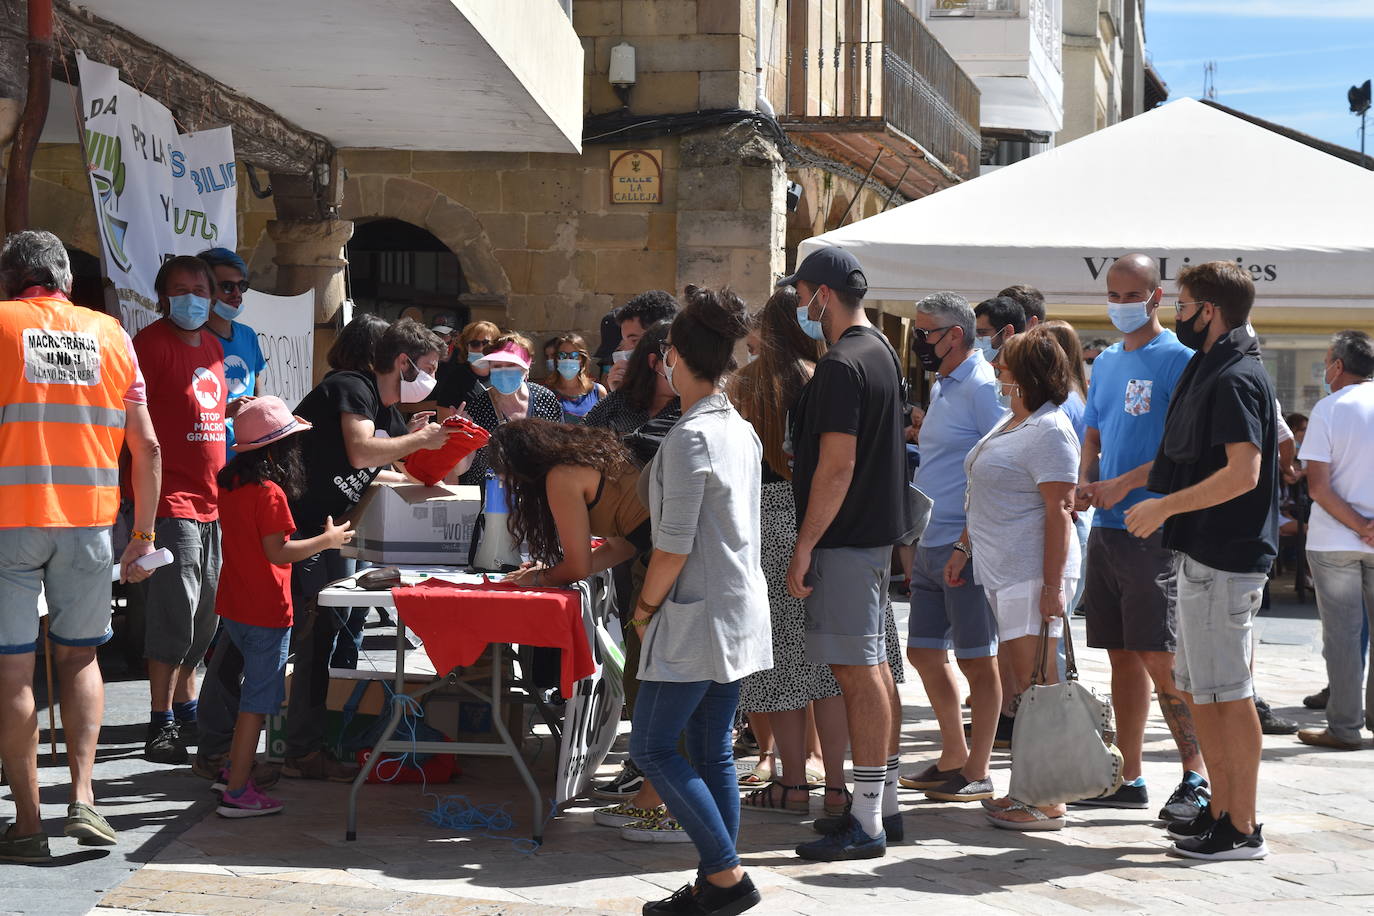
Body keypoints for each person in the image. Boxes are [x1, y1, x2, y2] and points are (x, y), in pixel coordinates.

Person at [0, 230, 160, 858]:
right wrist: (142, 537)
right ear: (66, 281)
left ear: (11, 281)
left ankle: (28, 821)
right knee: (80, 659)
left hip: (9, 523)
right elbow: (146, 448)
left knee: (13, 671)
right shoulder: (113, 335)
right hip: (91, 524)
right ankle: (85, 798)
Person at [193, 313, 394, 783]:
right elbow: (279, 550)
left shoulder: (245, 484)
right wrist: (325, 540)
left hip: (265, 576)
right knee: (255, 668)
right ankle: (230, 759)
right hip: (286, 567)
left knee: (280, 649)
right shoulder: (346, 390)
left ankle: (251, 752)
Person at [1125, 260, 1280, 861]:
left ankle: (1241, 826)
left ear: (1208, 311)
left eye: (1183, 304)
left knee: (1227, 693)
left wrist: (1164, 508)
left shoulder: (1236, 375)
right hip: (1205, 553)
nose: (1174, 314)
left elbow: (1245, 473)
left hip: (1226, 555)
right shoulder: (1214, 367)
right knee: (1204, 692)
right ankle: (1221, 811)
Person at [631, 286, 769, 915]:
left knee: (654, 748)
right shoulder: (735, 428)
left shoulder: (694, 437)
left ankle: (726, 875)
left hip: (697, 609)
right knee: (708, 747)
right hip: (733, 606)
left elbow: (673, 545)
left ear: (676, 358)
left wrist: (643, 609)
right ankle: (717, 882)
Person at [283, 318, 466, 780]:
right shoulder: (352, 387)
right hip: (293, 527)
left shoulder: (385, 411)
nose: (432, 378)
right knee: (290, 641)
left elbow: (385, 471)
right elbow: (363, 454)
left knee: (323, 638)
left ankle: (309, 746)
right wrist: (423, 439)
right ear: (402, 363)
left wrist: (432, 453)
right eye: (426, 367)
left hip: (325, 533)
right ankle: (252, 746)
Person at [784, 248, 912, 861]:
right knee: (874, 669)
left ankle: (867, 821)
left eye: (803, 292)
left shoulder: (840, 365)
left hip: (845, 539)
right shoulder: (881, 351)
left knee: (858, 672)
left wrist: (803, 545)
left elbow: (836, 467)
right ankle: (881, 803)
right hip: (872, 536)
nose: (799, 305)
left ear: (823, 297)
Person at [1074, 254, 1205, 823]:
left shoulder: (1179, 361)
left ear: (1156, 297)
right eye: (1113, 293)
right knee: (1121, 657)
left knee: (1160, 655)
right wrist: (1086, 478)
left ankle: (1196, 773)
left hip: (1152, 527)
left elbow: (1184, 454)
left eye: (1131, 295)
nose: (1120, 304)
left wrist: (1120, 484)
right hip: (1106, 528)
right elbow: (1096, 428)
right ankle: (1129, 774)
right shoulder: (1104, 362)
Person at [943, 327, 1081, 830]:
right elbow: (985, 491)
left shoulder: (1049, 429)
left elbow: (1059, 510)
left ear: (1025, 374)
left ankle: (1048, 799)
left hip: (1031, 573)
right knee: (1023, 682)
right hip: (1005, 570)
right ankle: (1029, 790)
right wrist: (965, 546)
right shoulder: (1014, 422)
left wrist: (1050, 588)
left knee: (1036, 685)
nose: (996, 365)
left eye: (1005, 361)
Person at [211, 397, 354, 817]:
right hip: (265, 611)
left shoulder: (229, 483)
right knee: (257, 704)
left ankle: (232, 771)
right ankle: (238, 790)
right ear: (277, 450)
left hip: (235, 605)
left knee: (247, 697)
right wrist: (328, 542)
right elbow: (280, 552)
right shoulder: (270, 493)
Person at [133, 255, 240, 764]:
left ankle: (187, 703)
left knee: (206, 617)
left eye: (201, 288)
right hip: (169, 501)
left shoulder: (217, 347)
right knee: (174, 611)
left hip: (214, 499)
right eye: (181, 289)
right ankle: (160, 722)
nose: (194, 297)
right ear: (162, 297)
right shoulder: (148, 346)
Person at [902, 291, 1005, 806]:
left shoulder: (982, 386)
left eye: (924, 332)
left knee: (977, 659)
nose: (918, 341)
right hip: (930, 537)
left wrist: (967, 541)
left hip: (962, 543)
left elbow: (999, 464)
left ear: (954, 335)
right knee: (923, 650)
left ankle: (978, 768)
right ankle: (953, 756)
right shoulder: (947, 383)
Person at [1296, 330, 1374, 751]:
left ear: (1338, 366)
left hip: (1334, 540)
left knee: (1342, 636)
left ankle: (1344, 728)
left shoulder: (1329, 409)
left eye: (1327, 361)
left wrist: (1359, 524)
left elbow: (1319, 487)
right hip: (1364, 535)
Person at [451, 333, 564, 487]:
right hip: (491, 500)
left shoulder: (545, 399)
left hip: (536, 494)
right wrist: (457, 441)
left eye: (511, 365)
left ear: (526, 368)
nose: (503, 371)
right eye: (497, 366)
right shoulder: (478, 406)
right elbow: (460, 469)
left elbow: (560, 453)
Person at [198, 247, 266, 459]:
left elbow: (257, 390)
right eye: (227, 286)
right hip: (205, 454)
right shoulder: (191, 339)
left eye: (242, 285)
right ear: (204, 290)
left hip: (243, 457)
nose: (237, 294)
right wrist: (225, 411)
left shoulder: (248, 335)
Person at [583, 319, 680, 435]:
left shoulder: (689, 411)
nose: (686, 369)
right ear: (653, 362)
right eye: (676, 360)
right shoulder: (618, 401)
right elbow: (579, 437)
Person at [605, 290, 678, 391]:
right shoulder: (624, 397)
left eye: (634, 341)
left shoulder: (687, 397)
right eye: (625, 342)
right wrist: (619, 392)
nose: (626, 351)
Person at [433, 319, 499, 420]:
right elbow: (442, 422)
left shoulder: (501, 374)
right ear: (466, 347)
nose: (481, 348)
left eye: (486, 344)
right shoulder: (455, 378)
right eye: (475, 344)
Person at [546, 332, 607, 423]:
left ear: (582, 360)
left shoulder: (598, 391)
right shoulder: (547, 393)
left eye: (574, 356)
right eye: (562, 355)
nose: (568, 359)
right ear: (556, 360)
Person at [973, 296, 1026, 364]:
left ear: (1007, 332)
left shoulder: (1028, 370)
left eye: (982, 332)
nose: (975, 339)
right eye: (973, 332)